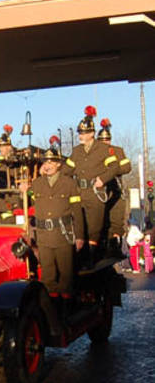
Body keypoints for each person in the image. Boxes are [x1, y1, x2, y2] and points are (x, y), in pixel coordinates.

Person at [24, 138, 84, 309]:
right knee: (48, 276)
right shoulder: (36, 184)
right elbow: (27, 203)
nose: (48, 165)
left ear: (59, 164)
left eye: (51, 162)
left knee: (66, 275)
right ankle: (51, 309)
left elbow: (77, 212)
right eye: (45, 162)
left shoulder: (69, 183)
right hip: (44, 237)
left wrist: (79, 236)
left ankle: (66, 310)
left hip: (63, 234)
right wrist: (23, 191)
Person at [62, 106, 119, 268]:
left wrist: (103, 179)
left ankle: (92, 259)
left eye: (84, 133)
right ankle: (80, 258)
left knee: (94, 227)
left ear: (92, 133)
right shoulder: (76, 151)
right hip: (79, 193)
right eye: (79, 133)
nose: (81, 135)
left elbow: (114, 167)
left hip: (95, 193)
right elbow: (67, 170)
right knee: (79, 226)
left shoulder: (102, 149)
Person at [97, 118, 132, 253]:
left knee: (116, 221)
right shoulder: (94, 155)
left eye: (107, 140)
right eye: (102, 141)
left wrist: (112, 171)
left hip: (115, 189)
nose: (105, 143)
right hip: (99, 190)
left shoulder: (117, 151)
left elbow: (127, 167)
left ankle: (114, 245)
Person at [0, 124, 16, 190]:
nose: (0, 149)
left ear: (9, 147)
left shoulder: (16, 158)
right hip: (0, 192)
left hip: (13, 192)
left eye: (3, 146)